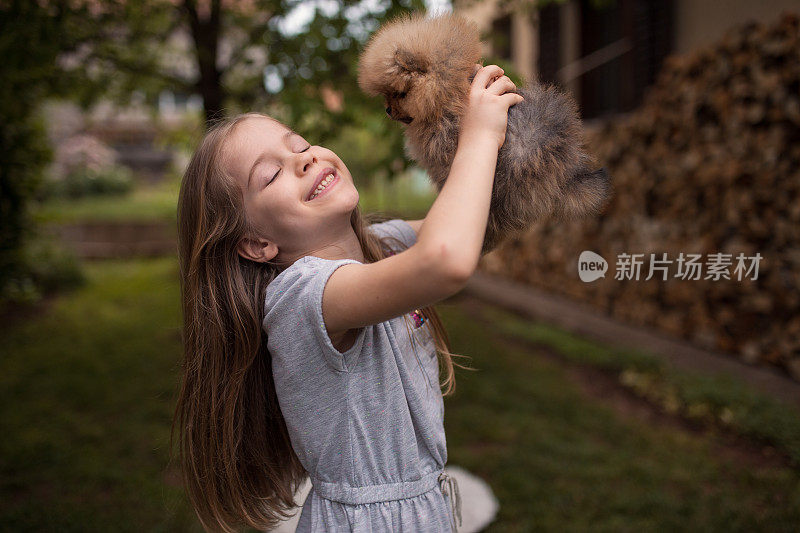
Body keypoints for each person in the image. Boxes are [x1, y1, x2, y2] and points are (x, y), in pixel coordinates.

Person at [172, 64, 523, 532]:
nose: (304, 158)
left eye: (299, 144)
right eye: (273, 173)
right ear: (257, 244)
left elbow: (479, 229)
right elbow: (446, 260)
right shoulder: (300, 297)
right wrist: (478, 138)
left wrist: (464, 127)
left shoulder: (380, 246)